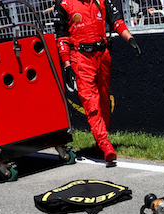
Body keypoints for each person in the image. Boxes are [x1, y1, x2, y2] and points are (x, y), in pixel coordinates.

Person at [53, 0, 142, 166]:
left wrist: (129, 38)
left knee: (103, 100)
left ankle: (99, 143)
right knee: (91, 103)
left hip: (103, 55)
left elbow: (116, 20)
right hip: (81, 57)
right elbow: (61, 37)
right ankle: (105, 144)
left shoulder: (102, 0)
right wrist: (67, 65)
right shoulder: (64, 4)